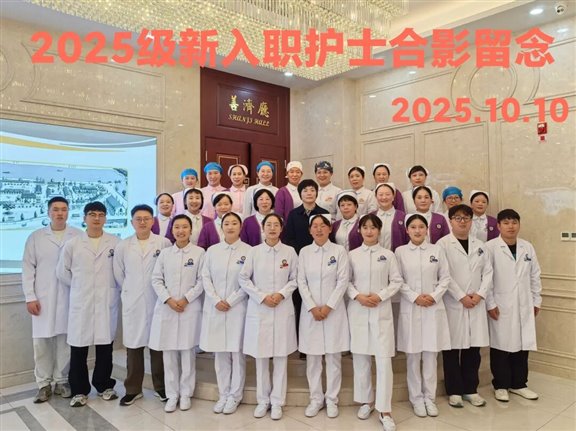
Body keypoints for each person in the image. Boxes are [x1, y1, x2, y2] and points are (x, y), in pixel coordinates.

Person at [56, 201, 121, 408]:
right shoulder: (73, 244)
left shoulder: (115, 242)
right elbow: (62, 272)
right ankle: (79, 390)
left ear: (105, 218)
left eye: (101, 214)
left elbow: (121, 270)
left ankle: (104, 385)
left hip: (106, 301)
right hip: (81, 302)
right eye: (92, 214)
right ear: (84, 218)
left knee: (105, 348)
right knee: (78, 349)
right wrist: (80, 287)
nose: (96, 218)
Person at [22, 196, 82, 403]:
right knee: (42, 342)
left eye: (64, 209)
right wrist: (30, 296)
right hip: (42, 298)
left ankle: (62, 380)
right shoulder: (36, 237)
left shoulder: (78, 235)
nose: (60, 213)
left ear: (68, 212)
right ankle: (43, 383)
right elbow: (28, 268)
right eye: (55, 209)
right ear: (48, 212)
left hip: (70, 297)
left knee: (65, 341)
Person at [238, 213, 298, 421]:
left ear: (281, 228)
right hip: (260, 308)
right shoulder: (254, 252)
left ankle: (278, 401)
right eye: (268, 225)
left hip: (282, 308)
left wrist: (281, 294)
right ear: (262, 228)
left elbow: (295, 278)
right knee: (261, 357)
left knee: (281, 357)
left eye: (276, 225)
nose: (272, 228)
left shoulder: (289, 252)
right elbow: (243, 278)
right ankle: (263, 400)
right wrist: (262, 296)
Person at [348, 214, 403, 431]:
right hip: (359, 310)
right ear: (359, 230)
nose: (369, 231)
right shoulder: (352, 255)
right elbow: (346, 282)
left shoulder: (388, 255)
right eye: (365, 227)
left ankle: (385, 409)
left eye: (373, 227)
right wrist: (358, 296)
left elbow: (396, 281)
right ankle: (366, 401)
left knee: (383, 360)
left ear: (379, 230)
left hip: (381, 311)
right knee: (361, 359)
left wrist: (380, 296)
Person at [113, 204, 172, 406]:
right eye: (138, 219)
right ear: (132, 222)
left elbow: (168, 271)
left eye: (146, 218)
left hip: (157, 300)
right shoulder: (123, 246)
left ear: (153, 221)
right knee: (133, 346)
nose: (143, 222)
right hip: (133, 301)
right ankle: (133, 389)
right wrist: (131, 291)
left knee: (158, 345)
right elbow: (119, 274)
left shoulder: (163, 243)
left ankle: (161, 387)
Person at [395, 214, 451, 418]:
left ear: (427, 230)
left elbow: (445, 278)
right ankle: (416, 399)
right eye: (413, 227)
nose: (417, 230)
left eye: (421, 227)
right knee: (412, 356)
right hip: (411, 307)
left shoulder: (437, 250)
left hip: (432, 308)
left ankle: (430, 398)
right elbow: (397, 280)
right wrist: (414, 297)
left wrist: (434, 296)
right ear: (407, 230)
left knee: (430, 356)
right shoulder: (400, 252)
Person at [437, 204, 493, 408]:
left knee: (473, 349)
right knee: (452, 349)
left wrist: (479, 295)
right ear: (450, 221)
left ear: (471, 221)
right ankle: (454, 391)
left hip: (476, 302)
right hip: (454, 302)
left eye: (466, 218)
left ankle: (471, 389)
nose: (462, 221)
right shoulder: (442, 244)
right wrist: (461, 296)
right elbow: (444, 275)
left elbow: (488, 273)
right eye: (458, 218)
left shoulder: (480, 245)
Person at [149, 214, 205, 413]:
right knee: (169, 354)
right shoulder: (165, 254)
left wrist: (186, 299)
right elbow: (156, 279)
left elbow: (202, 281)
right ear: (172, 230)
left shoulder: (199, 253)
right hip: (168, 308)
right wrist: (169, 300)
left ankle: (186, 394)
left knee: (187, 353)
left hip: (189, 308)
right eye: (177, 227)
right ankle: (172, 395)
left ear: (191, 230)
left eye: (184, 227)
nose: (180, 231)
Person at [485, 209, 542, 402]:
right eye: (506, 223)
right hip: (501, 304)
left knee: (522, 344)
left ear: (519, 224)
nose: (511, 226)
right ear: (498, 226)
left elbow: (535, 275)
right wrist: (490, 303)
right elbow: (486, 278)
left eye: (514, 222)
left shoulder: (527, 247)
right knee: (500, 346)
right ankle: (500, 385)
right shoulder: (490, 248)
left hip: (524, 303)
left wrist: (536, 300)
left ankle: (519, 384)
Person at [298, 214, 350, 419]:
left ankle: (332, 399)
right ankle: (316, 399)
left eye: (323, 225)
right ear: (310, 230)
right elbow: (301, 281)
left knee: (333, 358)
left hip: (333, 312)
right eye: (315, 226)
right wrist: (312, 307)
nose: (319, 229)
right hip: (310, 313)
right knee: (313, 359)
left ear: (330, 229)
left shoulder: (339, 251)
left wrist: (328, 307)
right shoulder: (304, 252)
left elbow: (343, 281)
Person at [200, 212, 250, 415]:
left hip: (237, 308)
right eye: (226, 223)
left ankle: (235, 396)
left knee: (237, 353)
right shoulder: (212, 251)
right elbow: (205, 277)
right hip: (216, 307)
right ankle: (223, 393)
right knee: (220, 353)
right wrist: (215, 300)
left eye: (234, 223)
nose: (230, 226)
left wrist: (230, 300)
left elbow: (248, 281)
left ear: (240, 227)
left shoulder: (249, 251)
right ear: (221, 227)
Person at [282, 179, 329, 344]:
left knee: (319, 298)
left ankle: (322, 340)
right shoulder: (293, 214)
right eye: (305, 190)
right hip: (300, 261)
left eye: (312, 190)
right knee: (300, 300)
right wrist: (302, 254)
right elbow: (288, 238)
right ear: (300, 194)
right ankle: (302, 342)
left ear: (317, 193)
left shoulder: (323, 213)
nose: (309, 193)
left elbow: (328, 235)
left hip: (322, 260)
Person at [372, 182, 408, 252]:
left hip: (396, 256)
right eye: (380, 194)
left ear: (393, 196)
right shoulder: (370, 217)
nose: (384, 197)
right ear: (376, 196)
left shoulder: (402, 217)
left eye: (387, 194)